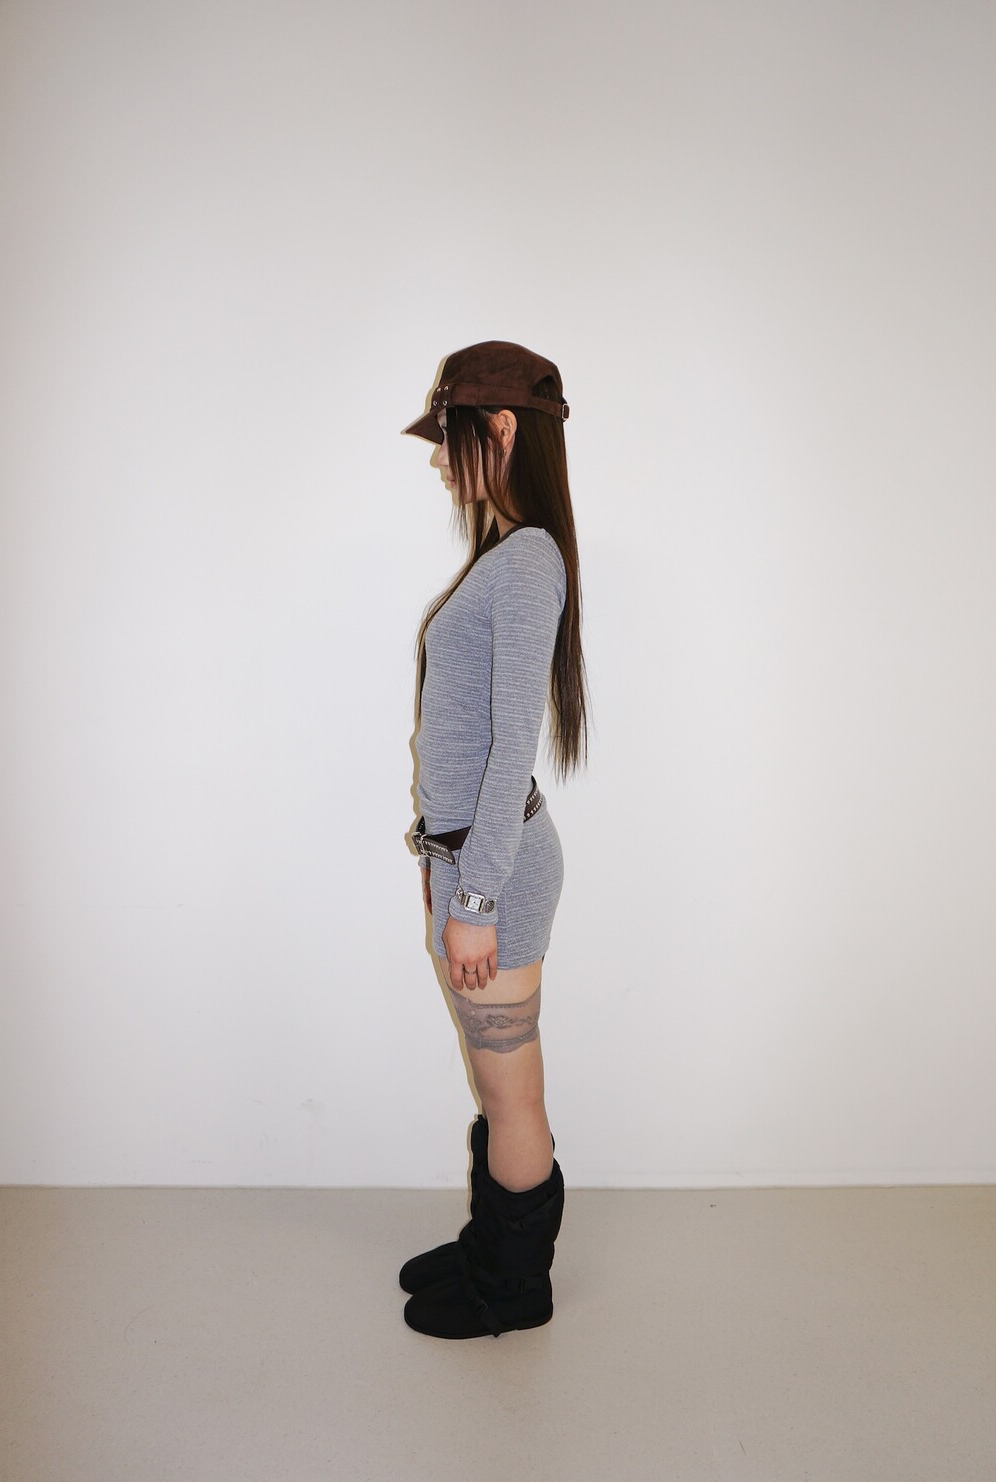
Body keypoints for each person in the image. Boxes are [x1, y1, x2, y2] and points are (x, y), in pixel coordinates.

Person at [399, 341, 589, 1339]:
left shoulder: (525, 564)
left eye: (451, 436)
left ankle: (515, 1286)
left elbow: (514, 745)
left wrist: (473, 899)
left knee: (511, 1089)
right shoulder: (509, 555)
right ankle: (491, 1244)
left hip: (495, 874)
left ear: (501, 429)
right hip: (469, 862)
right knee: (492, 1078)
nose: (440, 458)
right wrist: (442, 867)